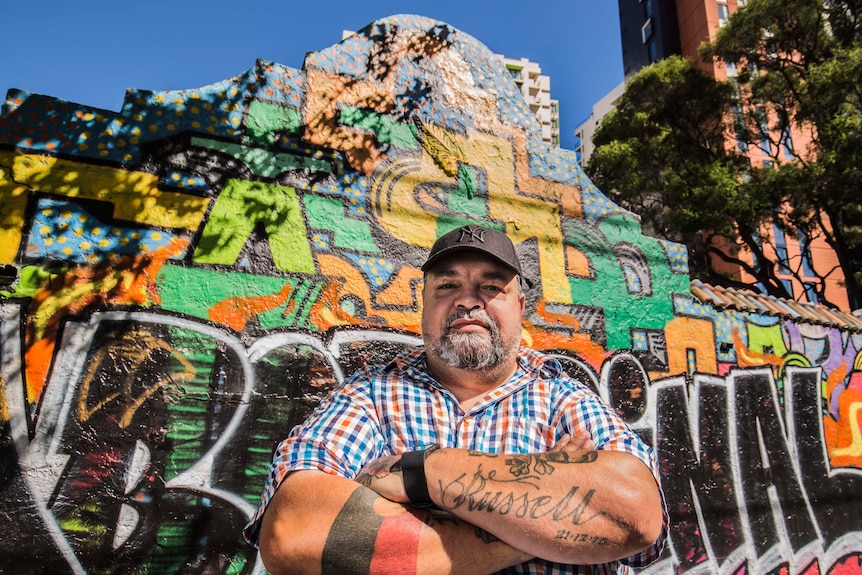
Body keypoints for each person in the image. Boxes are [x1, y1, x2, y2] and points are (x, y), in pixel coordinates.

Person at [243, 224, 668, 574]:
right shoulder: (369, 396)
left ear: (520, 306)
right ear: (423, 304)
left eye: (491, 286)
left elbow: (635, 517)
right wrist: (534, 528)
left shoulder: (565, 400)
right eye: (447, 286)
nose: (467, 300)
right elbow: (292, 533)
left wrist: (422, 472)